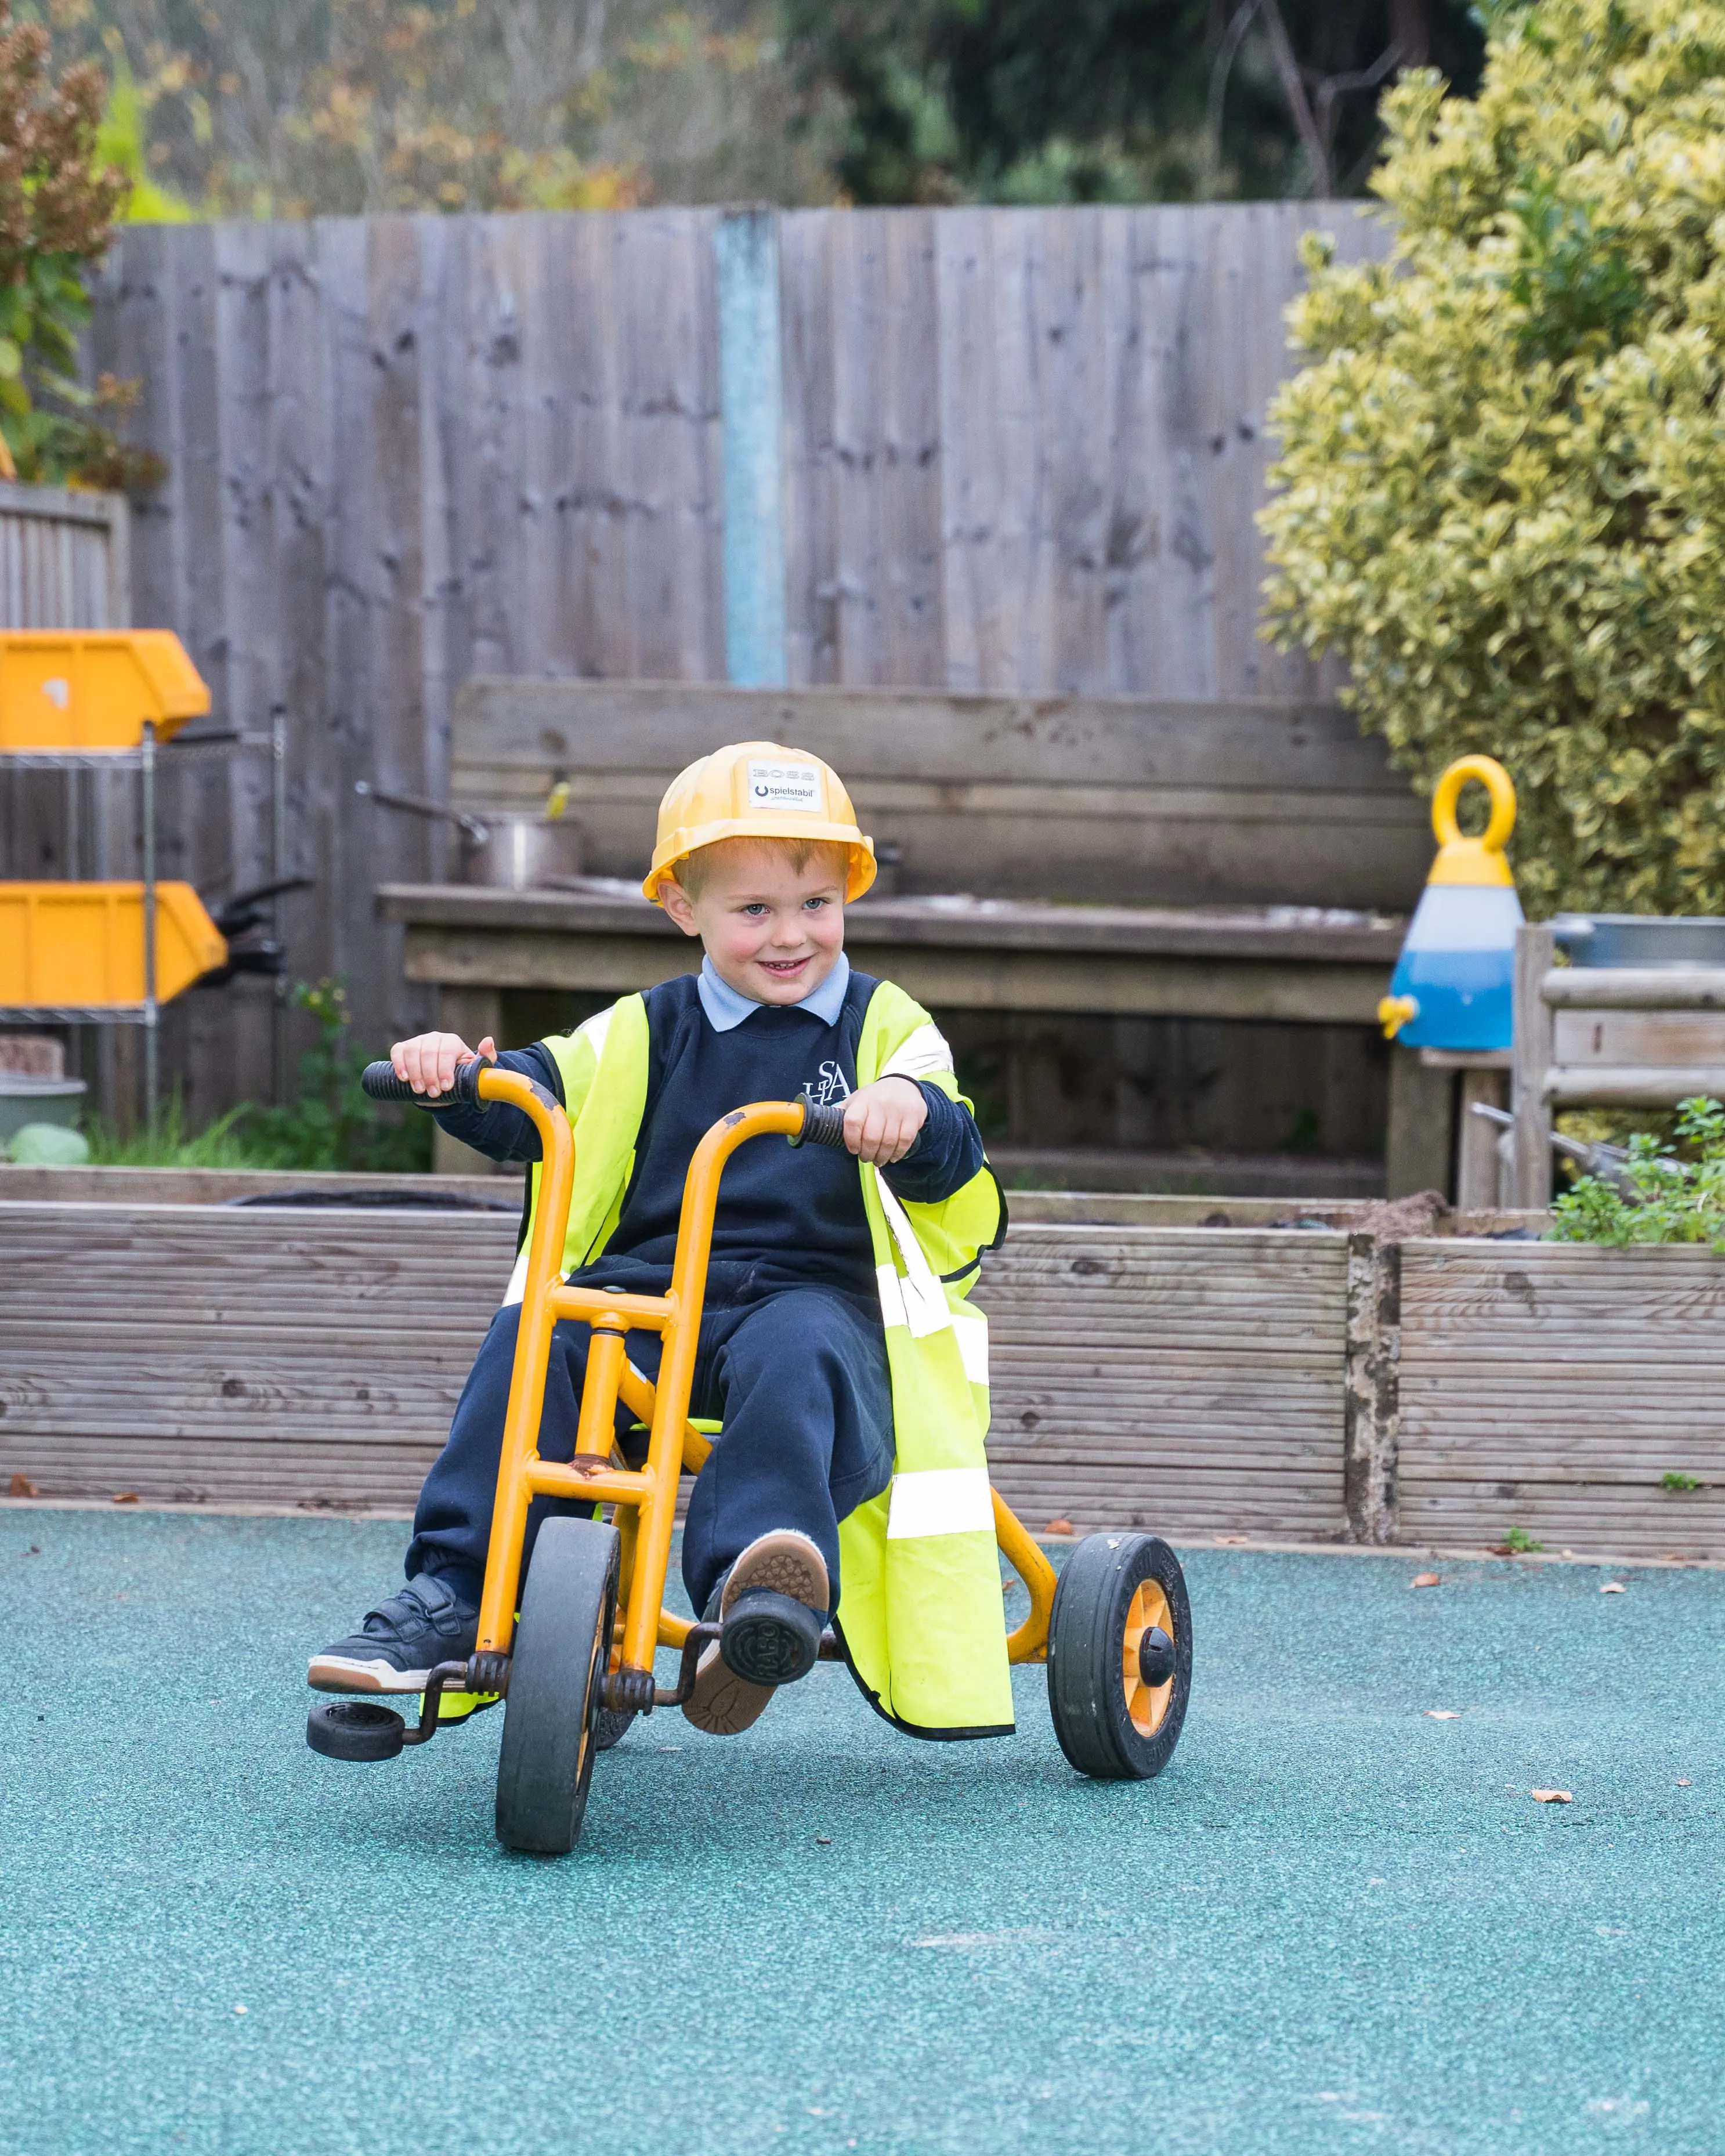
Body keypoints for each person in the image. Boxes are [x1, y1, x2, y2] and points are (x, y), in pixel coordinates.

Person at [309, 741, 1012, 1738]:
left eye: (816, 903)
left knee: (795, 1348)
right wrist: (460, 1079)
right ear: (686, 909)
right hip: (650, 1296)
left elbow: (948, 1133)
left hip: (816, 1298)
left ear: (849, 894)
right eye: (754, 910)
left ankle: (753, 1592)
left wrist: (904, 1111)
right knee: (538, 1337)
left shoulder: (883, 1023)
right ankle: (459, 1592)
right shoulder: (645, 1027)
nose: (790, 935)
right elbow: (535, 1095)